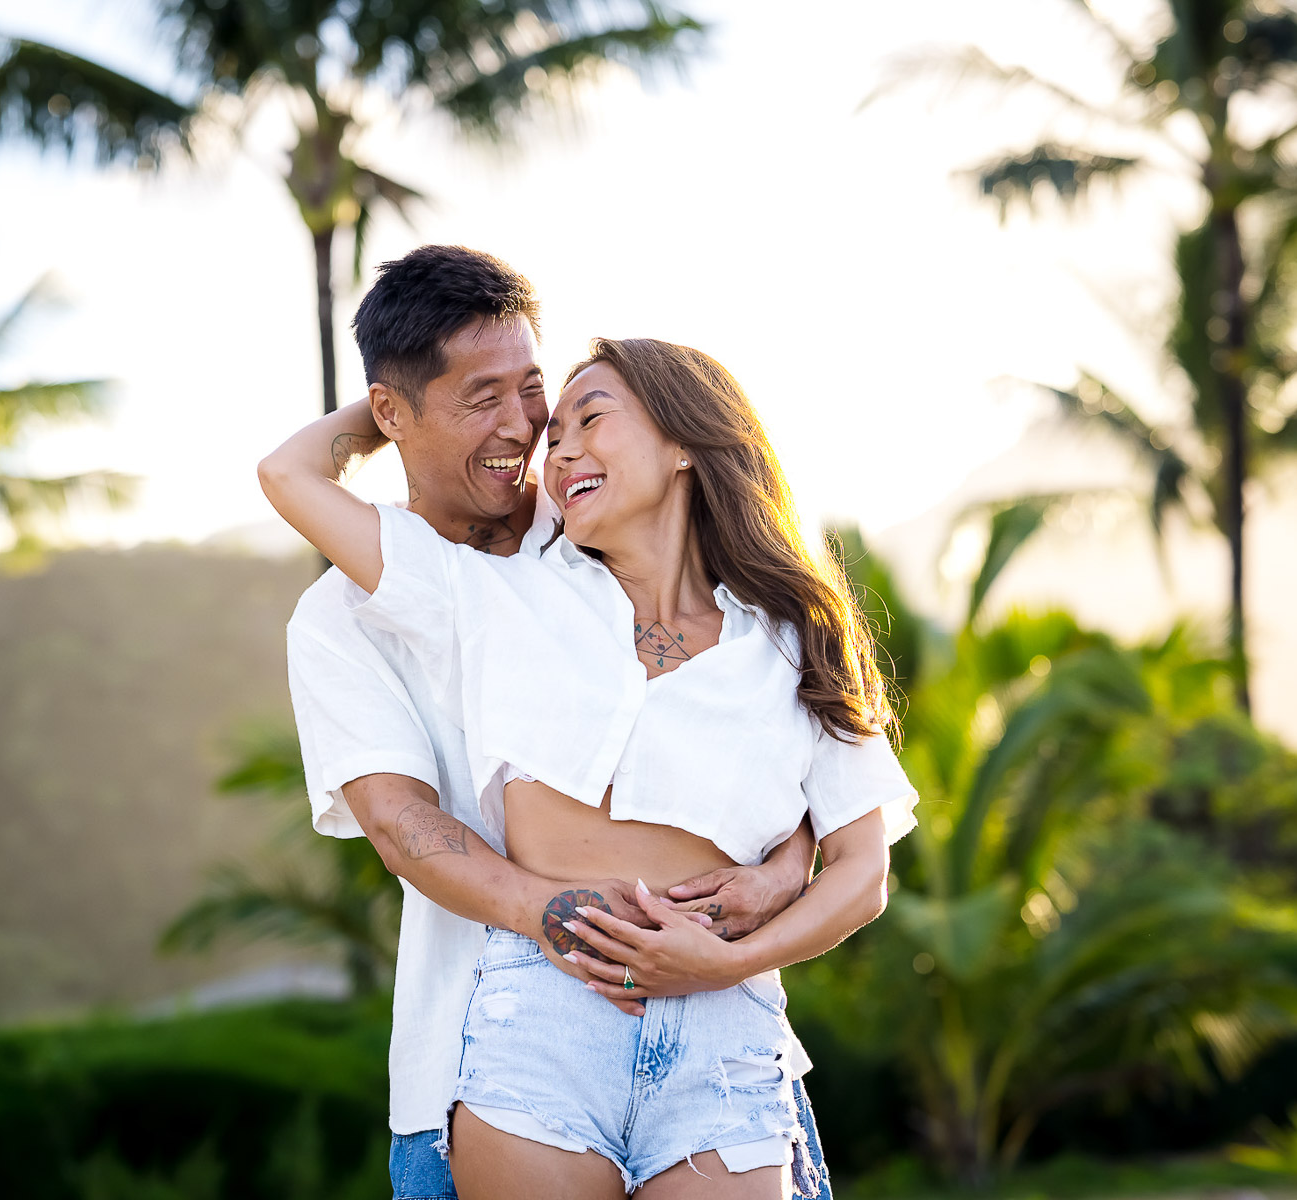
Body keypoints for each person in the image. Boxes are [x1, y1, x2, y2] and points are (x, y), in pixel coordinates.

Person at [262, 260, 917, 1197]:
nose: (535, 435)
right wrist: (394, 402)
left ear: (685, 444)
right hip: (501, 1024)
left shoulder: (755, 618)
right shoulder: (468, 597)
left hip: (726, 1026)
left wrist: (771, 882)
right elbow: (406, 829)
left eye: (545, 398)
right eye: (485, 399)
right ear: (392, 413)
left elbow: (829, 823)